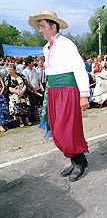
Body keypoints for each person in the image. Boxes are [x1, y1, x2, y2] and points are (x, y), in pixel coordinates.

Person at [28, 10, 90, 182]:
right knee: (56, 128)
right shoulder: (46, 48)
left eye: (42, 26)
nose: (40, 30)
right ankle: (73, 160)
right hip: (53, 91)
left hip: (68, 90)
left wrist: (83, 95)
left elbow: (79, 68)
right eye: (39, 26)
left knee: (68, 127)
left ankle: (80, 162)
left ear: (53, 26)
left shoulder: (67, 44)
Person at [22, 57, 44, 121]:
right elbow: (27, 82)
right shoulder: (25, 72)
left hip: (38, 89)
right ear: (28, 63)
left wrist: (40, 85)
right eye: (32, 62)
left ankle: (40, 116)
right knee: (33, 105)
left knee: (40, 103)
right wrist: (33, 90)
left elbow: (38, 78)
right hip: (31, 91)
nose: (33, 63)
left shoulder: (34, 70)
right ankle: (34, 118)